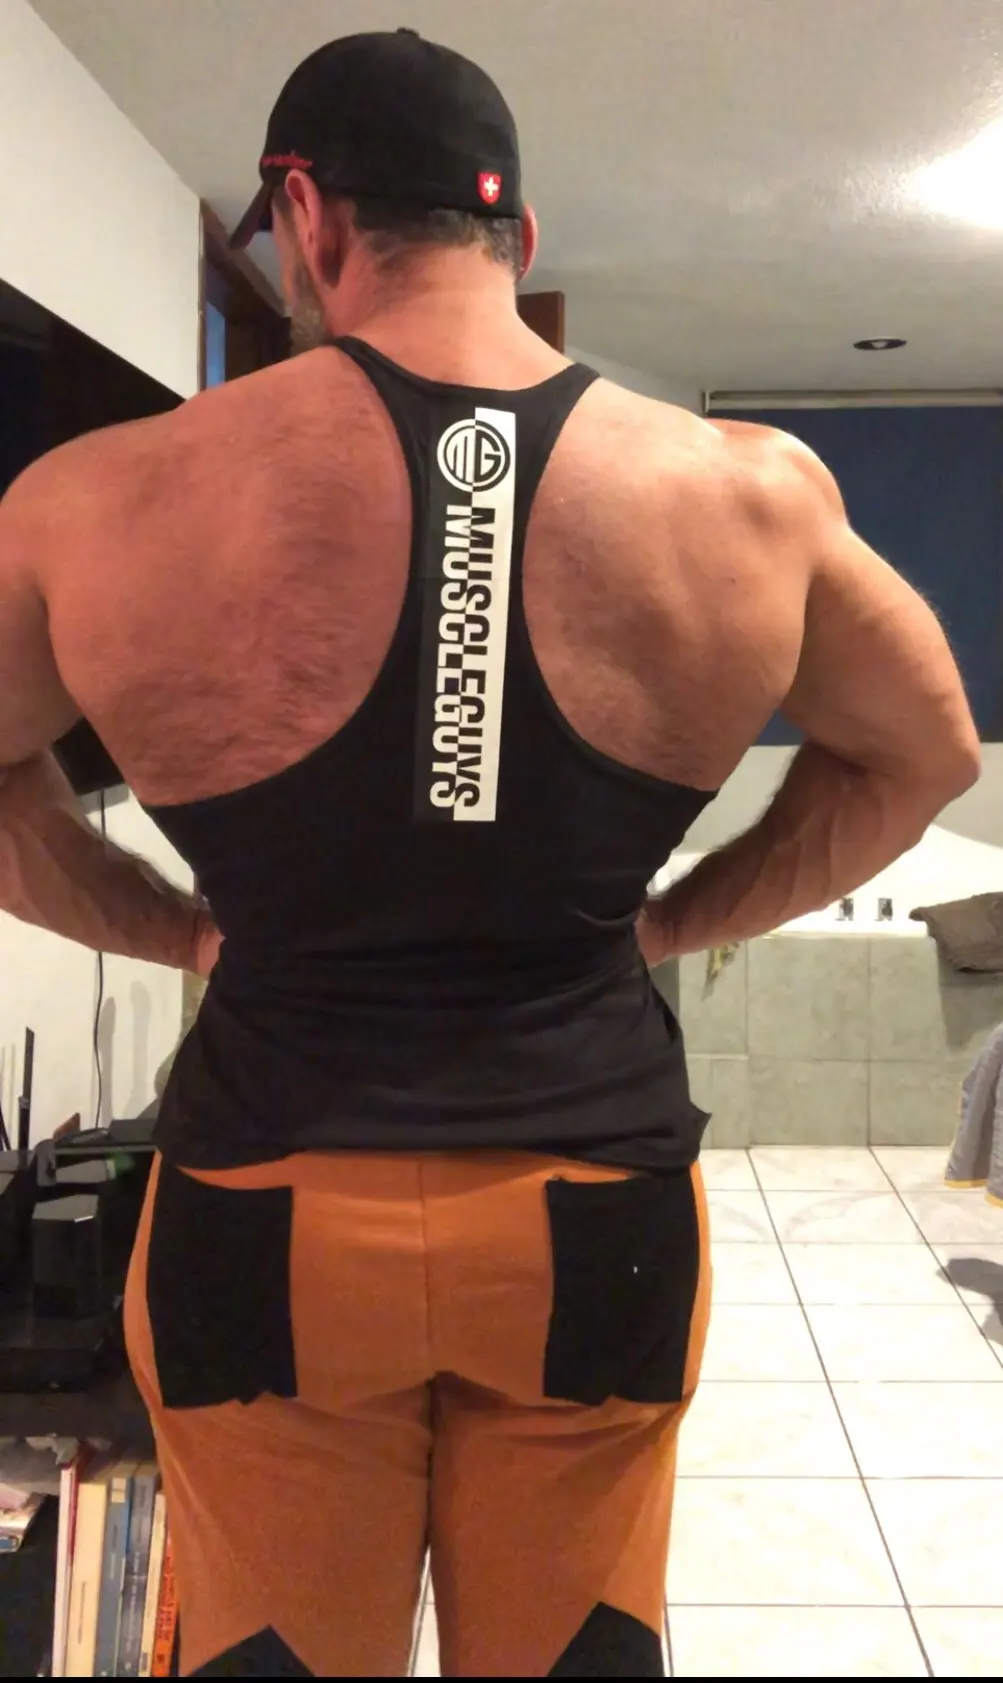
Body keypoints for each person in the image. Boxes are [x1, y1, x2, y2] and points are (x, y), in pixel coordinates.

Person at [0, 26, 978, 1679]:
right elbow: (924, 753)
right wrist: (673, 920)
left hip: (269, 1204)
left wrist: (177, 934)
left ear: (305, 216)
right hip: (590, 1212)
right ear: (515, 234)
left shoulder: (95, 501)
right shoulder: (746, 493)